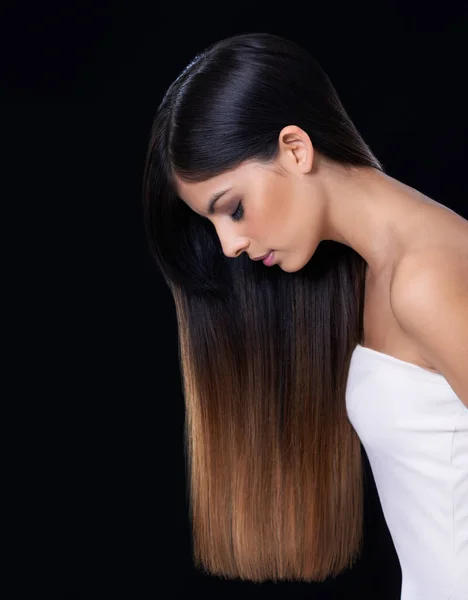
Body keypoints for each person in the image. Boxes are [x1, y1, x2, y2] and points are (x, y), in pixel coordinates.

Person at [142, 32, 468, 598]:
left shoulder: (424, 277)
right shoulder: (379, 273)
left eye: (234, 208)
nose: (228, 246)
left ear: (295, 148)